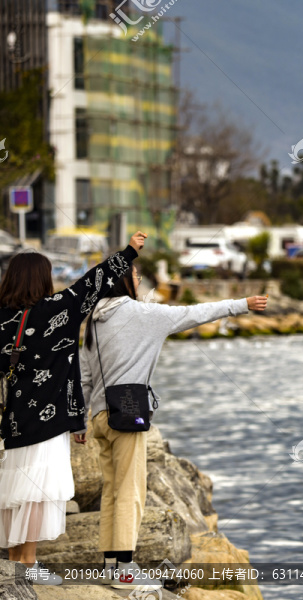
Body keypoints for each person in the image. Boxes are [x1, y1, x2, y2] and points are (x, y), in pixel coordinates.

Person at [80, 263, 267, 591]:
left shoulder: (94, 320)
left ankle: (111, 564)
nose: (139, 281)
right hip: (126, 413)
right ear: (125, 282)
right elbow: (195, 314)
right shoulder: (144, 314)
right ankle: (124, 569)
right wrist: (242, 305)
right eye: (136, 276)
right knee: (130, 491)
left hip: (98, 417)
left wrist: (79, 418)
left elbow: (84, 374)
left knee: (111, 490)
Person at [0, 231, 147, 585]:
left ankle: (15, 563)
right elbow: (94, 281)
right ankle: (29, 565)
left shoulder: (2, 320)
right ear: (43, 279)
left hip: (12, 421)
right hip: (47, 420)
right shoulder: (57, 310)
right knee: (38, 491)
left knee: (16, 489)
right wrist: (129, 251)